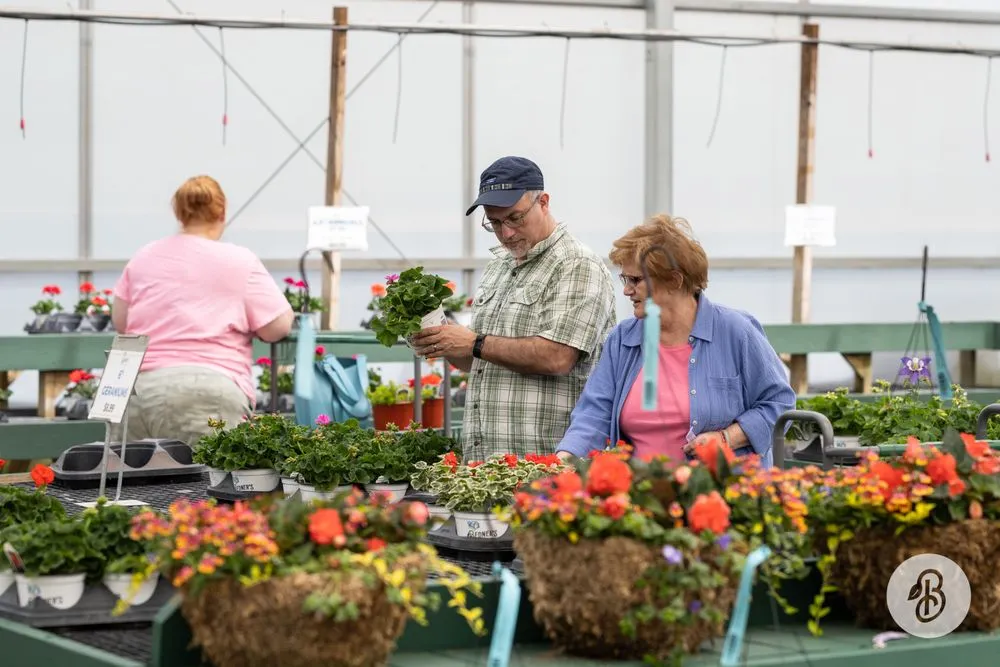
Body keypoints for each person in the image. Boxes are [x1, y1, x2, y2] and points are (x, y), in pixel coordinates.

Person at [410, 156, 617, 459]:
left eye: (515, 218)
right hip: (485, 468)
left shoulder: (576, 264)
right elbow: (482, 362)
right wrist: (445, 343)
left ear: (543, 202)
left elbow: (558, 357)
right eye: (494, 222)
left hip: (546, 466)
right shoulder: (500, 266)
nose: (505, 233)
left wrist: (474, 342)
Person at [555, 214, 794, 467]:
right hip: (644, 497)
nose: (626, 290)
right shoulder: (623, 340)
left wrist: (727, 438)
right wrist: (562, 460)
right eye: (625, 279)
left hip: (723, 496)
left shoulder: (736, 332)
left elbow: (780, 405)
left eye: (635, 280)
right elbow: (593, 416)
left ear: (674, 280)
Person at [110, 175, 293, 445]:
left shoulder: (144, 257)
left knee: (133, 486)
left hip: (138, 389)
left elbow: (121, 320)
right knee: (208, 484)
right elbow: (277, 326)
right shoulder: (239, 261)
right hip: (208, 390)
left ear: (179, 213)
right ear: (222, 213)